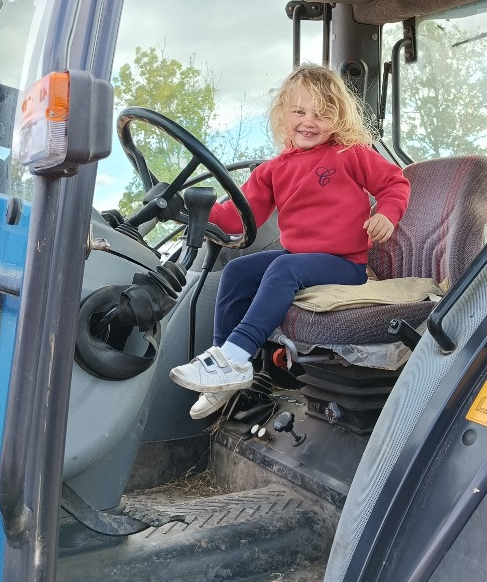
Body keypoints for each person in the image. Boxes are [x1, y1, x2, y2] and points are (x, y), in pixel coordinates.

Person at [169, 63, 410, 418]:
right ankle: (223, 366)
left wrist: (387, 213)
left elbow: (394, 184)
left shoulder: (349, 154)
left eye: (322, 114)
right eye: (299, 111)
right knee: (238, 271)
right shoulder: (273, 170)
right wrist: (190, 210)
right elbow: (238, 216)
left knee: (284, 266)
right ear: (283, 116)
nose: (309, 121)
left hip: (345, 264)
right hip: (300, 258)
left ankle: (237, 355)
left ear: (339, 118)